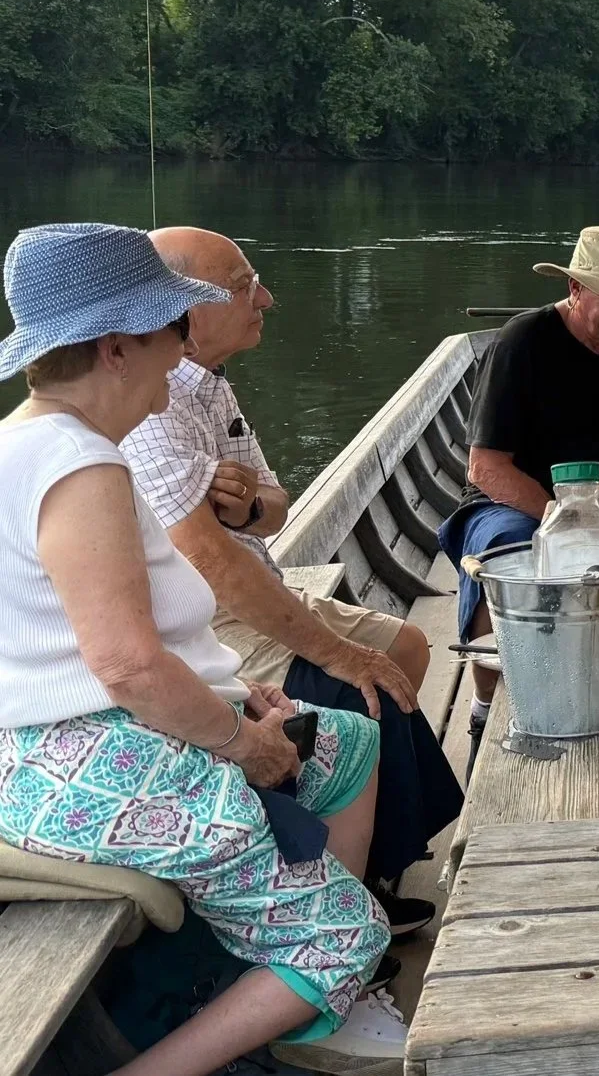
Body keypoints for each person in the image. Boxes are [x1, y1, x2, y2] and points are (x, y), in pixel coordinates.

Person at [0, 223, 404, 1074]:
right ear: (117, 349)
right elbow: (126, 667)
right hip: (91, 765)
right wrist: (236, 741)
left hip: (71, 745)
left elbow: (72, 651)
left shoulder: (32, 443)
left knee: (345, 744)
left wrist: (230, 701)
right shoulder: (80, 469)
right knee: (350, 933)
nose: (186, 352)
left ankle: (275, 976)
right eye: (173, 331)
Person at [127, 228, 460, 932]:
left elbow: (273, 511)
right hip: (211, 618)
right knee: (358, 690)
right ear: (187, 306)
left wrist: (246, 504)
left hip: (260, 587)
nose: (267, 299)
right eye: (247, 285)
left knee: (403, 649)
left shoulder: (212, 386)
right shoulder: (152, 415)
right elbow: (211, 568)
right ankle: (348, 888)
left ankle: (381, 853)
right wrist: (336, 652)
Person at [445, 226, 599, 712]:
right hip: (517, 500)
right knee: (503, 554)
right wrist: (565, 516)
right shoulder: (522, 342)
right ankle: (485, 702)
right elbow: (484, 467)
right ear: (575, 290)